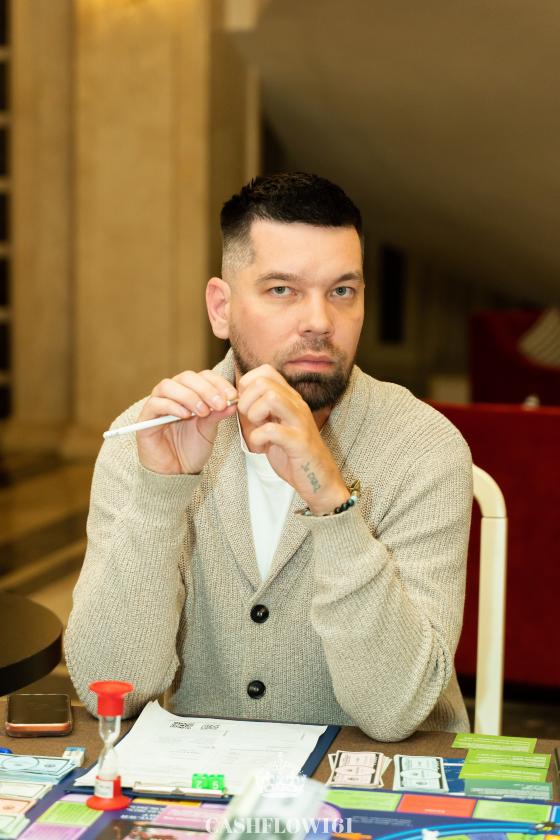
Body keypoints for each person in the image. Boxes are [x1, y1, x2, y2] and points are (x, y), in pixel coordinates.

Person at [65, 172, 472, 740]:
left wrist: (331, 500)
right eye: (283, 290)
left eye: (342, 291)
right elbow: (108, 687)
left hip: (378, 781)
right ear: (221, 307)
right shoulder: (149, 435)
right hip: (204, 780)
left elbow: (395, 711)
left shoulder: (425, 447)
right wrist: (160, 495)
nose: (320, 322)